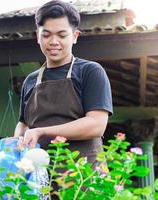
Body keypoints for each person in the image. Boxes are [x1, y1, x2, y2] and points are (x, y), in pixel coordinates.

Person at [13, 0, 113, 164]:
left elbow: (96, 124)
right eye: (46, 35)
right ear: (37, 36)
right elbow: (23, 124)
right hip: (38, 176)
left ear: (75, 36)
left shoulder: (90, 71)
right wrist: (16, 142)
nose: (53, 42)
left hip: (84, 176)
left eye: (62, 35)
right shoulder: (30, 81)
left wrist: (42, 132)